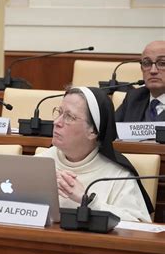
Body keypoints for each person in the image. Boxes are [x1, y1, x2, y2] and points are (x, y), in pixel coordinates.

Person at [37, 86, 153, 222]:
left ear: (93, 131)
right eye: (59, 113)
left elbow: (139, 227)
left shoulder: (118, 175)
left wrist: (89, 201)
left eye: (69, 117)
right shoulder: (41, 162)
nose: (57, 122)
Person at [116, 40, 165, 121]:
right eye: (147, 63)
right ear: (142, 69)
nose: (153, 71)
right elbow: (112, 131)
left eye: (162, 63)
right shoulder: (134, 98)